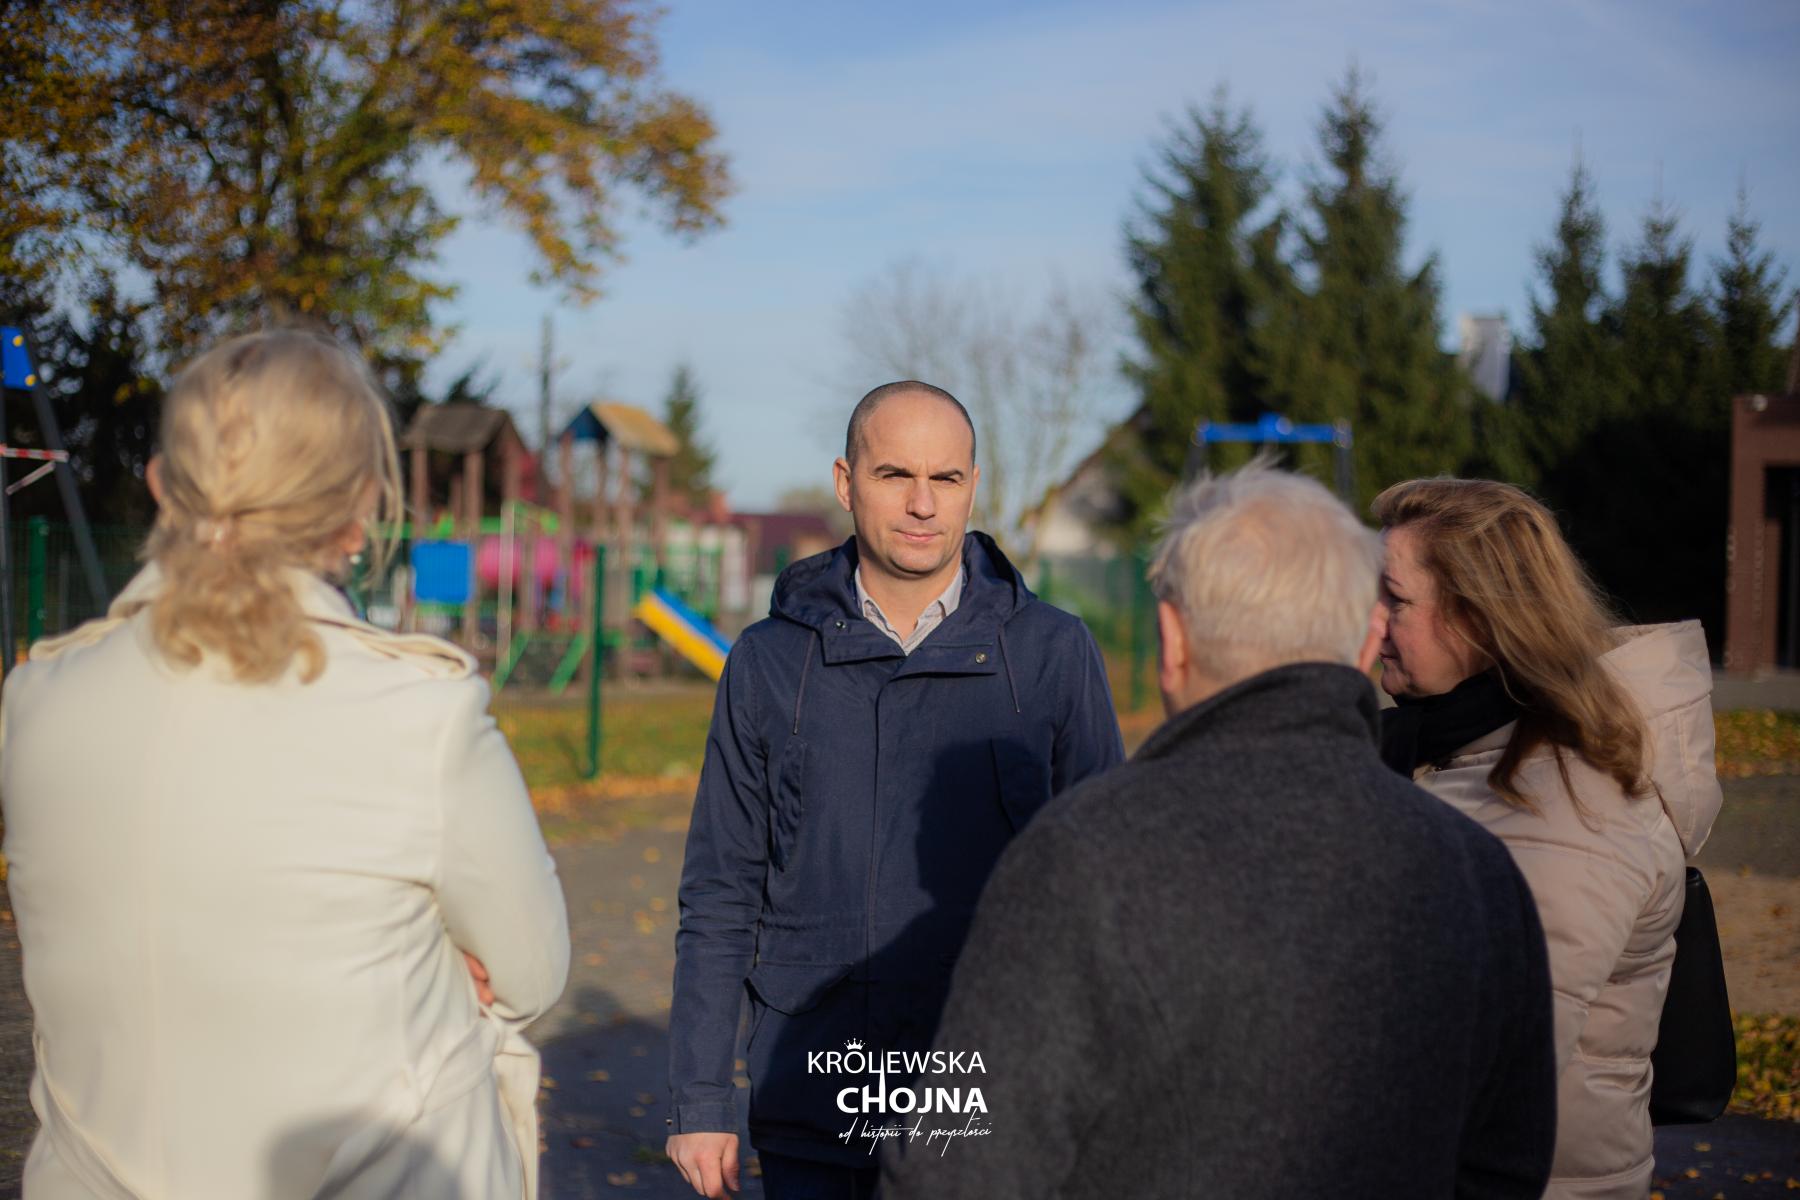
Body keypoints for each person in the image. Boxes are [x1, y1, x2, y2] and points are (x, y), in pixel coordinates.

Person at [881, 463, 1558, 1200]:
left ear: (1172, 639)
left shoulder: (1078, 857)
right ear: (1367, 642)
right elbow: (1507, 1166)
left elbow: (954, 1170)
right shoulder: (1477, 872)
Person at [0, 329, 570, 1198]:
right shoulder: (420, 712)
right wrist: (434, 960)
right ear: (359, 509)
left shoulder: (37, 700)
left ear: (161, 484)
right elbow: (530, 975)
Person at [665, 381, 1124, 1198]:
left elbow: (1104, 894)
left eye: (945, 478)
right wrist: (700, 1098)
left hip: (993, 1108)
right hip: (815, 1099)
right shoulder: (769, 662)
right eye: (894, 475)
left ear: (972, 487)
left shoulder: (1052, 654)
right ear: (846, 483)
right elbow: (721, 889)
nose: (922, 504)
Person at [1372, 477, 1724, 1199]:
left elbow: (1474, 1081)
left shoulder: (1566, 810)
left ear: (1479, 620)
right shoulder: (1475, 752)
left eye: (1395, 600)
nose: (1369, 620)